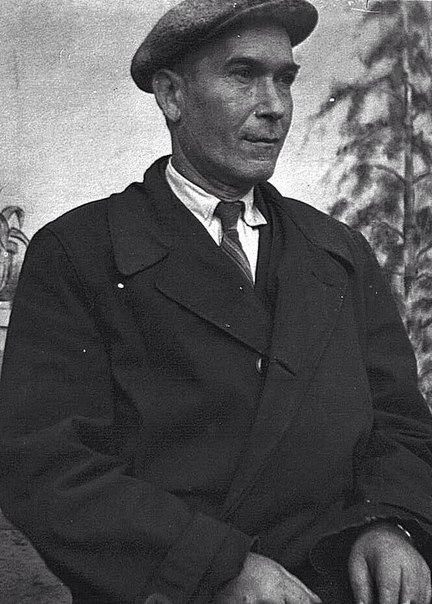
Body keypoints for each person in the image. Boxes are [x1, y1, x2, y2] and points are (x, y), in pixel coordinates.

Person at [0, 0, 431, 603]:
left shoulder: (339, 251)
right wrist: (217, 568)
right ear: (172, 95)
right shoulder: (79, 253)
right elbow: (46, 466)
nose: (274, 105)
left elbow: (400, 422)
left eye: (285, 79)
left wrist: (390, 523)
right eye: (243, 75)